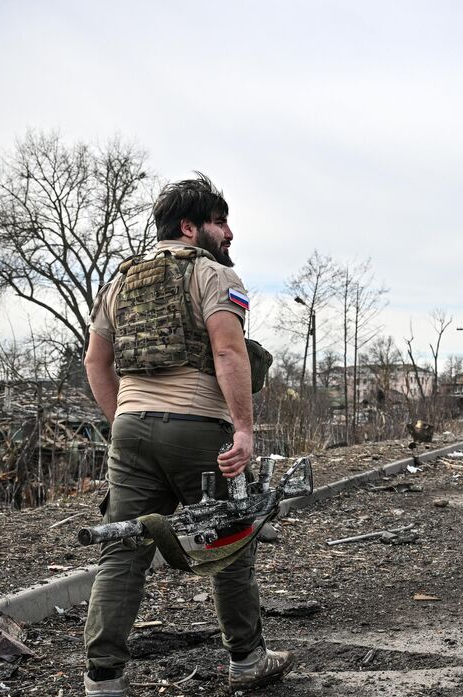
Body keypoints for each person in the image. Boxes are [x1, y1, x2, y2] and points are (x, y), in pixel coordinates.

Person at [81, 174, 291, 695]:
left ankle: (102, 679)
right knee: (228, 541)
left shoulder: (119, 282)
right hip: (199, 431)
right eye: (220, 222)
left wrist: (122, 422)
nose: (229, 233)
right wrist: (243, 429)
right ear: (190, 227)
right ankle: (246, 660)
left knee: (121, 553)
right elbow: (227, 351)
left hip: (130, 431)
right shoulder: (217, 277)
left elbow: (95, 361)